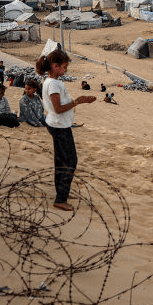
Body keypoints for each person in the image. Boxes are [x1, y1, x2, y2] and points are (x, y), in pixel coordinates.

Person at [38, 49, 96, 211]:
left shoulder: (53, 81)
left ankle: (63, 192)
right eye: (63, 67)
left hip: (59, 124)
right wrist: (78, 101)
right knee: (70, 161)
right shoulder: (53, 84)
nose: (65, 70)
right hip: (59, 125)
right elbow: (57, 108)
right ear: (55, 66)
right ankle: (61, 198)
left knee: (61, 160)